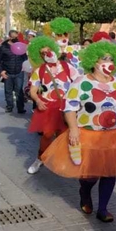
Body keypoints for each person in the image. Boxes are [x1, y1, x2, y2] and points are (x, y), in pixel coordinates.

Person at [40, 41, 116, 223]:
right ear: (94, 61)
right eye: (104, 59)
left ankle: (103, 209)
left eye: (111, 59)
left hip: (114, 134)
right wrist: (73, 129)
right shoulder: (81, 83)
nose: (109, 63)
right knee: (90, 175)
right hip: (89, 134)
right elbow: (69, 107)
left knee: (110, 173)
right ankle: (85, 192)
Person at [26, 35, 79, 175]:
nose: (47, 54)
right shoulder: (40, 70)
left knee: (63, 135)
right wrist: (38, 100)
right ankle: (40, 159)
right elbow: (32, 90)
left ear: (54, 50)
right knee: (47, 134)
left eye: (48, 50)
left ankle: (62, 160)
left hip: (66, 107)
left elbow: (79, 84)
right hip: (48, 106)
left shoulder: (68, 67)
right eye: (43, 53)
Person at [0, 29, 28, 113]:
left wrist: (24, 67)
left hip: (19, 72)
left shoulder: (20, 46)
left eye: (16, 37)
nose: (15, 39)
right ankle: (9, 106)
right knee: (8, 90)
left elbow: (25, 58)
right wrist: (1, 71)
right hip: (8, 72)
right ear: (9, 37)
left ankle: (20, 107)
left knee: (19, 90)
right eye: (13, 37)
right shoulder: (3, 47)